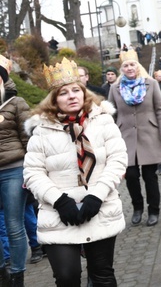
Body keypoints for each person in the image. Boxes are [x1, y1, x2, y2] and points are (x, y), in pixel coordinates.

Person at [23, 57, 128, 287]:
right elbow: (33, 173)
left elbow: (117, 160)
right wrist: (59, 201)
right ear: (53, 99)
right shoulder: (41, 130)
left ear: (84, 92)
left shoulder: (102, 121)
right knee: (67, 276)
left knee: (102, 276)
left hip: (100, 208)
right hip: (58, 214)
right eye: (63, 93)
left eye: (75, 90)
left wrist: (97, 195)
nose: (71, 96)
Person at [108, 49, 161, 227]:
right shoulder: (115, 88)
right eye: (125, 65)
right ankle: (137, 208)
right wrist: (109, 138)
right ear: (122, 69)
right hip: (125, 136)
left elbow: (160, 109)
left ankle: (154, 210)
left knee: (150, 176)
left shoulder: (151, 83)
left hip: (149, 134)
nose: (129, 68)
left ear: (138, 66)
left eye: (132, 64)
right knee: (131, 175)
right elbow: (110, 114)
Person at [0, 55, 30, 286]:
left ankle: (17, 275)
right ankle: (2, 272)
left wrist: (30, 172)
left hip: (13, 169)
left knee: (13, 224)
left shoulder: (16, 103)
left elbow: (29, 139)